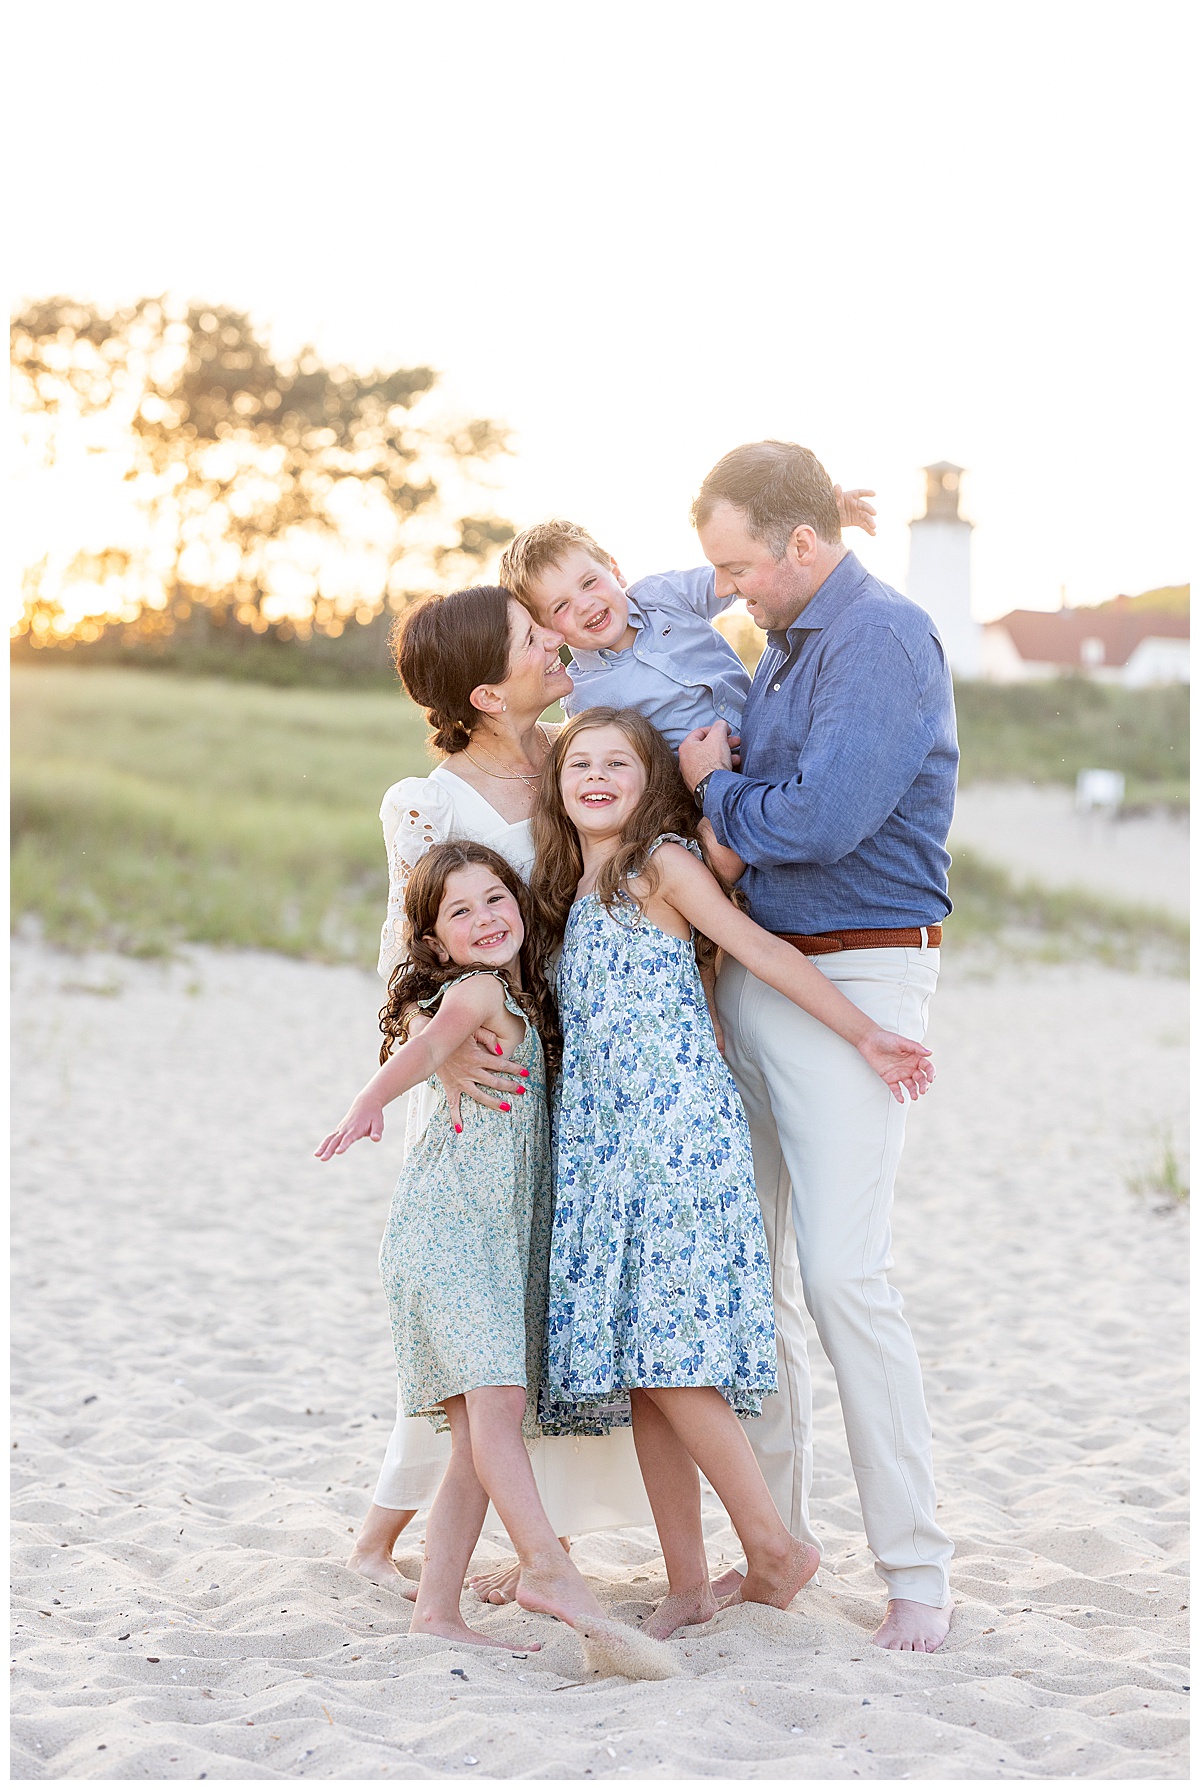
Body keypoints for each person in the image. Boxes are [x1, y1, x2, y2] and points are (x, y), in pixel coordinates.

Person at [531, 708, 935, 1641]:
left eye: (617, 763)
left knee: (671, 1361)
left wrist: (865, 1031)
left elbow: (758, 950)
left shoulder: (659, 864)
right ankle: (684, 1582)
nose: (595, 777)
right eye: (577, 763)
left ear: (650, 782)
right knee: (640, 1372)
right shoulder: (568, 882)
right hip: (602, 1142)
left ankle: (775, 1548)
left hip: (672, 1133)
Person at [678, 440, 959, 1653]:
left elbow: (823, 818)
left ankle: (918, 1569)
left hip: (860, 967)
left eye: (744, 566)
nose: (730, 591)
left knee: (847, 1276)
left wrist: (711, 794)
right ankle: (775, 1543)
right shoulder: (785, 635)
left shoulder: (882, 637)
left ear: (803, 544)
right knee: (759, 1287)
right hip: (757, 973)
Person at [351, 585, 652, 1596]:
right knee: (474, 1317)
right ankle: (394, 1534)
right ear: (485, 690)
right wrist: (437, 1052)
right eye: (533, 635)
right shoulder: (426, 802)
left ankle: (534, 1541)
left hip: (580, 1059)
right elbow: (408, 953)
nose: (554, 638)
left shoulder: (585, 755)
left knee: (530, 1306)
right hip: (484, 1069)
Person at [497, 489, 875, 752]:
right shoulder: (583, 696)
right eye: (560, 606)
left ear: (615, 570)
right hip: (697, 789)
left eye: (590, 582)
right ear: (546, 628)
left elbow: (742, 570)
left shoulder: (664, 595)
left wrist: (820, 518)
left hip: (772, 738)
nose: (583, 605)